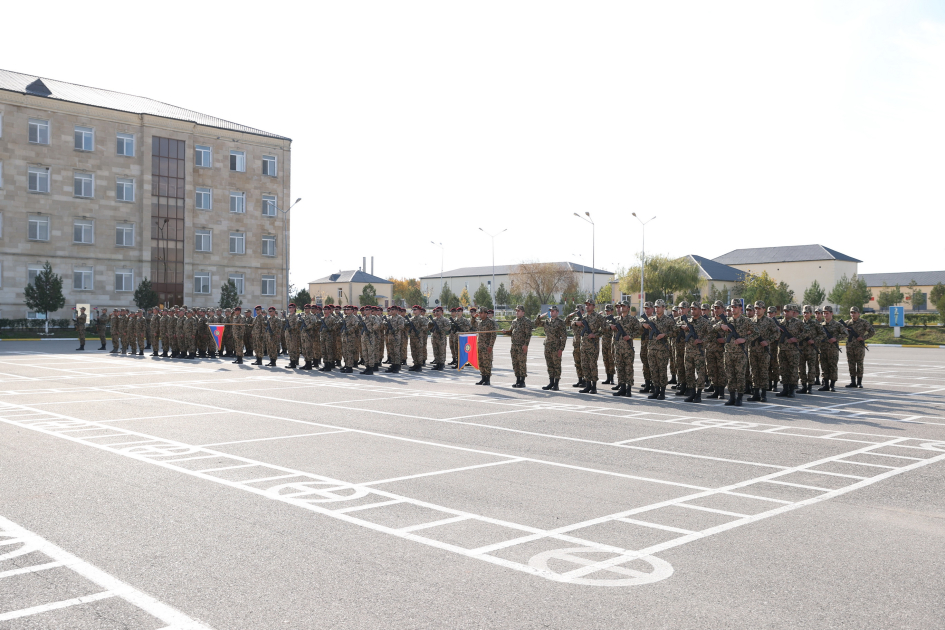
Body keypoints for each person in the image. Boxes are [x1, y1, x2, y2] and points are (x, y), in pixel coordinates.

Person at [714, 299, 754, 406]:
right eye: (732, 307)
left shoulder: (746, 321)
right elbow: (712, 327)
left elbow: (756, 333)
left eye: (735, 307)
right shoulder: (727, 320)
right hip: (728, 353)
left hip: (740, 353)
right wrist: (721, 326)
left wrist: (744, 339)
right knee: (730, 376)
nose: (733, 309)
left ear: (740, 308)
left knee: (740, 376)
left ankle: (739, 397)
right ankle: (732, 397)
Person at [642, 299, 676, 400]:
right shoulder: (651, 319)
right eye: (655, 307)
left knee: (662, 371)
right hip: (651, 349)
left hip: (662, 350)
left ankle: (662, 392)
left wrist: (664, 335)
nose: (657, 309)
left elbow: (675, 332)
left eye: (659, 307)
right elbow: (639, 322)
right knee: (653, 370)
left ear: (663, 308)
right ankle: (656, 390)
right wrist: (643, 325)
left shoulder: (668, 320)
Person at [747, 300, 778, 402]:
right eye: (755, 308)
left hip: (764, 351)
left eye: (759, 308)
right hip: (752, 350)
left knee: (764, 372)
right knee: (754, 372)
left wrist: (768, 341)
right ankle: (756, 393)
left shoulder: (769, 321)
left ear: (764, 309)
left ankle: (763, 394)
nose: (757, 310)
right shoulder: (750, 321)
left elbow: (777, 333)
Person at [573, 300, 605, 394]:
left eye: (589, 305)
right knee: (584, 365)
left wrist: (595, 335)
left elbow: (605, 329)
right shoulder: (583, 317)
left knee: (592, 365)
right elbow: (572, 324)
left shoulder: (598, 317)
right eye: (586, 305)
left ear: (594, 306)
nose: (587, 306)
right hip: (584, 345)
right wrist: (576, 323)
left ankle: (594, 387)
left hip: (593, 345)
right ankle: (587, 385)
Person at [611, 301, 641, 397]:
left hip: (628, 348)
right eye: (621, 306)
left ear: (628, 308)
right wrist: (611, 326)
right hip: (618, 348)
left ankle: (628, 389)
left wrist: (630, 336)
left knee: (628, 368)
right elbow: (605, 325)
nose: (622, 307)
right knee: (619, 368)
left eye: (624, 306)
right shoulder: (616, 319)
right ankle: (622, 388)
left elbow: (639, 330)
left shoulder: (632, 319)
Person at [535, 306, 567, 391]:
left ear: (557, 312)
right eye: (550, 311)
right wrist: (539, 317)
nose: (551, 312)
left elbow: (564, 336)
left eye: (553, 311)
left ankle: (556, 384)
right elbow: (536, 324)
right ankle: (551, 382)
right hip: (547, 346)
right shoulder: (546, 321)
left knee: (556, 365)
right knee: (549, 365)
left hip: (556, 346)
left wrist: (561, 349)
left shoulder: (560, 322)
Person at [775, 304, 804, 398]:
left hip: (793, 351)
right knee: (783, 370)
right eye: (784, 311)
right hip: (782, 349)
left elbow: (808, 332)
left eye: (788, 311)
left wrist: (796, 338)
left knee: (793, 370)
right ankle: (785, 389)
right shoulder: (780, 323)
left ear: (793, 312)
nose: (786, 313)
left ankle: (791, 390)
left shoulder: (798, 322)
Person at [844, 306, 874, 388]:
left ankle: (859, 382)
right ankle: (853, 382)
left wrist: (863, 338)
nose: (853, 314)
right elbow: (839, 331)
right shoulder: (847, 323)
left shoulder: (864, 322)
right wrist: (845, 330)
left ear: (858, 314)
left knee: (859, 364)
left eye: (854, 313)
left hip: (859, 347)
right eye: (851, 313)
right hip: (850, 346)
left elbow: (872, 332)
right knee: (851, 364)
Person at [505, 305, 534, 388]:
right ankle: (517, 380)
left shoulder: (526, 321)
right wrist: (505, 332)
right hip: (514, 345)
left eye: (518, 311)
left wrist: (526, 345)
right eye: (516, 311)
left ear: (523, 312)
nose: (517, 312)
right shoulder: (514, 321)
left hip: (521, 346)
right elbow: (511, 332)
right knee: (515, 363)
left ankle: (522, 381)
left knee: (522, 363)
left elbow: (528, 334)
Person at [818, 306, 844, 392]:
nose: (825, 315)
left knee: (833, 367)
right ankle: (826, 385)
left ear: (831, 313)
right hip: (823, 349)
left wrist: (836, 339)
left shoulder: (837, 325)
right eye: (824, 313)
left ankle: (832, 385)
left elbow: (845, 333)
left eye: (827, 313)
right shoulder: (821, 325)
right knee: (824, 367)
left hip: (833, 350)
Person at [565, 307, 586, 388]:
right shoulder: (575, 320)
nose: (577, 312)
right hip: (576, 345)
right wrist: (570, 316)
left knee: (584, 363)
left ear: (583, 311)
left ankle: (585, 380)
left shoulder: (586, 318)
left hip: (584, 345)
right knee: (577, 363)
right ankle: (580, 380)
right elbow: (566, 322)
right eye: (576, 311)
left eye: (579, 310)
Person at [475, 308, 497, 385]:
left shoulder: (490, 322)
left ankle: (487, 379)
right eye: (479, 313)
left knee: (487, 362)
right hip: (480, 345)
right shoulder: (480, 322)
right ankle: (483, 378)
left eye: (481, 313)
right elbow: (472, 323)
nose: (480, 314)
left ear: (485, 313)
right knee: (481, 362)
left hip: (487, 346)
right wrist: (474, 317)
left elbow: (493, 335)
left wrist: (490, 346)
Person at [600, 304, 616, 385]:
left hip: (611, 343)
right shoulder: (603, 319)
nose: (607, 312)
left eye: (608, 311)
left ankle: (612, 378)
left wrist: (609, 326)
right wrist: (609, 326)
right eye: (606, 311)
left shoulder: (614, 319)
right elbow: (602, 328)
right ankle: (608, 377)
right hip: (604, 342)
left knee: (611, 360)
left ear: (612, 311)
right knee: (605, 360)